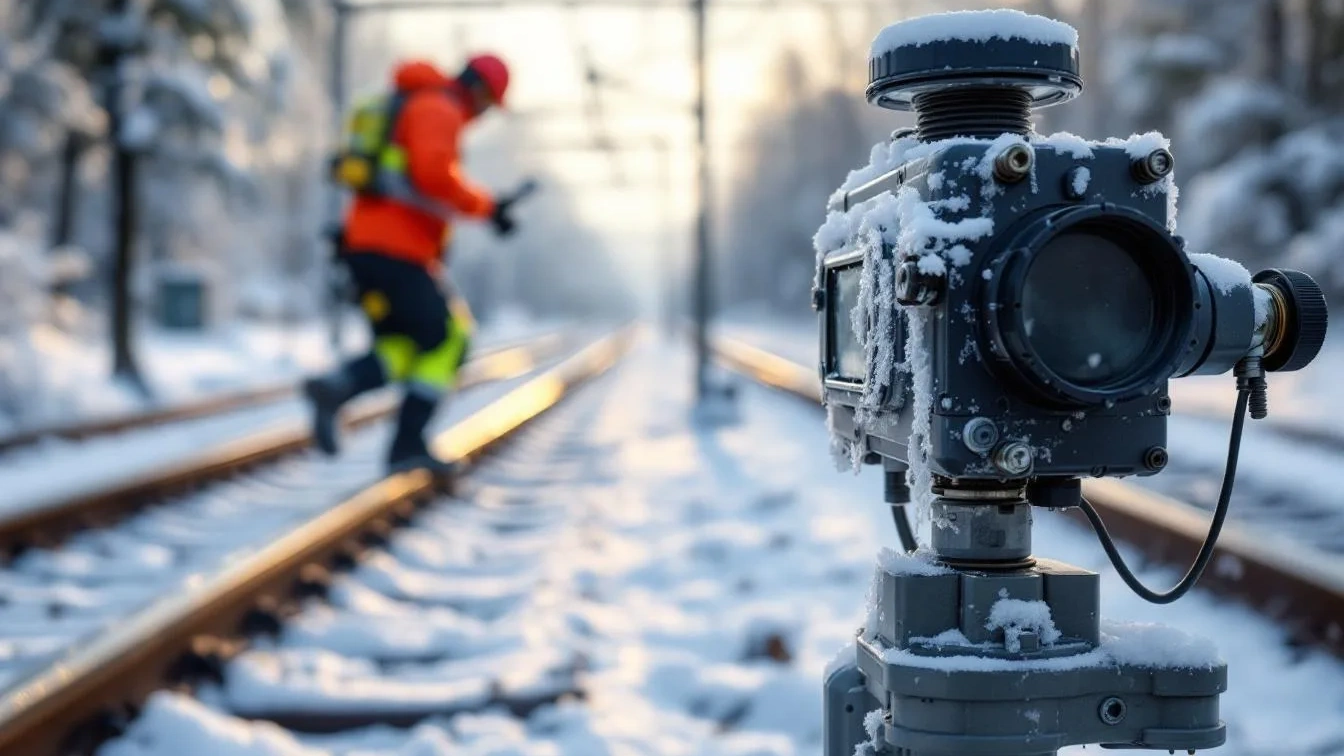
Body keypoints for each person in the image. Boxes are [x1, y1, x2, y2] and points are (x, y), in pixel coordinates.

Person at [305, 53, 521, 475]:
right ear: (478, 92)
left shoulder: (416, 103)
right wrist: (487, 206)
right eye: (489, 104)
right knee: (448, 339)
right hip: (396, 250)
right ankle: (407, 446)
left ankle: (340, 386)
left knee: (403, 344)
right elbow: (433, 176)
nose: (485, 115)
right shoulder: (439, 108)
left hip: (365, 248)